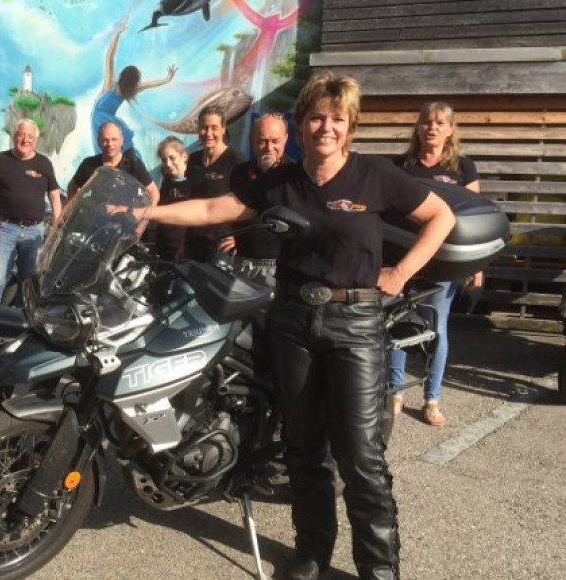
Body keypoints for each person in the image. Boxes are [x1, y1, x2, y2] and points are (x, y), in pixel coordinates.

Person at [147, 70, 456, 579]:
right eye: (316, 116)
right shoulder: (282, 181)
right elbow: (211, 207)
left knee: (360, 458)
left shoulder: (374, 176)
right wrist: (148, 210)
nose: (326, 127)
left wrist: (400, 273)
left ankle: (379, 569)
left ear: (350, 125)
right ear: (301, 123)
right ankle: (312, 553)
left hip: (356, 324)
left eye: (337, 118)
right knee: (303, 450)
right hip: (291, 319)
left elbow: (440, 216)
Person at [389, 101, 481, 427]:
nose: (432, 128)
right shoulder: (402, 166)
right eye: (427, 122)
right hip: (408, 256)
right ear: (418, 126)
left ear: (450, 130)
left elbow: (474, 220)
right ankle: (395, 392)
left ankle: (431, 398)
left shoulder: (463, 169)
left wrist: (476, 266)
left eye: (440, 123)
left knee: (436, 326)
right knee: (397, 325)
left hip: (446, 262)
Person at [0, 119, 62, 306]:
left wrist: (58, 225)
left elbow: (54, 196)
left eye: (30, 136)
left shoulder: (44, 163)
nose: (25, 140)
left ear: (36, 140)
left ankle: (18, 318)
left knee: (28, 280)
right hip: (5, 227)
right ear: (14, 135)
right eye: (22, 135)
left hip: (34, 231)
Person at [220, 112, 291, 286]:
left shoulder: (294, 174)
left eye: (275, 141)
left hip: (280, 266)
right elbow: (230, 210)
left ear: (285, 139)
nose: (269, 147)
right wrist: (233, 235)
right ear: (251, 140)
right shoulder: (239, 173)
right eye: (263, 140)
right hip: (243, 263)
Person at [92, 17, 177, 158]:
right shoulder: (126, 90)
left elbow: (110, 58)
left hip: (98, 119)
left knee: (107, 146)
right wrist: (167, 79)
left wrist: (118, 34)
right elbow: (149, 84)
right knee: (115, 144)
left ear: (122, 76)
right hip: (105, 121)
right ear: (132, 82)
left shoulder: (110, 86)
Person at [181, 104, 247, 264]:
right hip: (193, 242)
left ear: (223, 129)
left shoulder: (236, 160)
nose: (209, 133)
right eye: (204, 127)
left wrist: (239, 237)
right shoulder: (193, 160)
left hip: (220, 246)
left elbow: (247, 203)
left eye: (214, 127)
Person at [67, 121, 159, 205]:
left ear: (121, 140)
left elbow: (153, 192)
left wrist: (145, 219)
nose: (110, 144)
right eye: (105, 140)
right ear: (99, 142)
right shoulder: (89, 165)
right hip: (97, 221)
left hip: (127, 221)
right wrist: (74, 210)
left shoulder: (133, 164)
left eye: (114, 139)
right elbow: (72, 188)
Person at [153, 136, 191, 261]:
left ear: (184, 156)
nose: (168, 164)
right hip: (164, 250)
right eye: (164, 160)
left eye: (172, 158)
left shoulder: (194, 181)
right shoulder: (166, 182)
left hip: (186, 253)